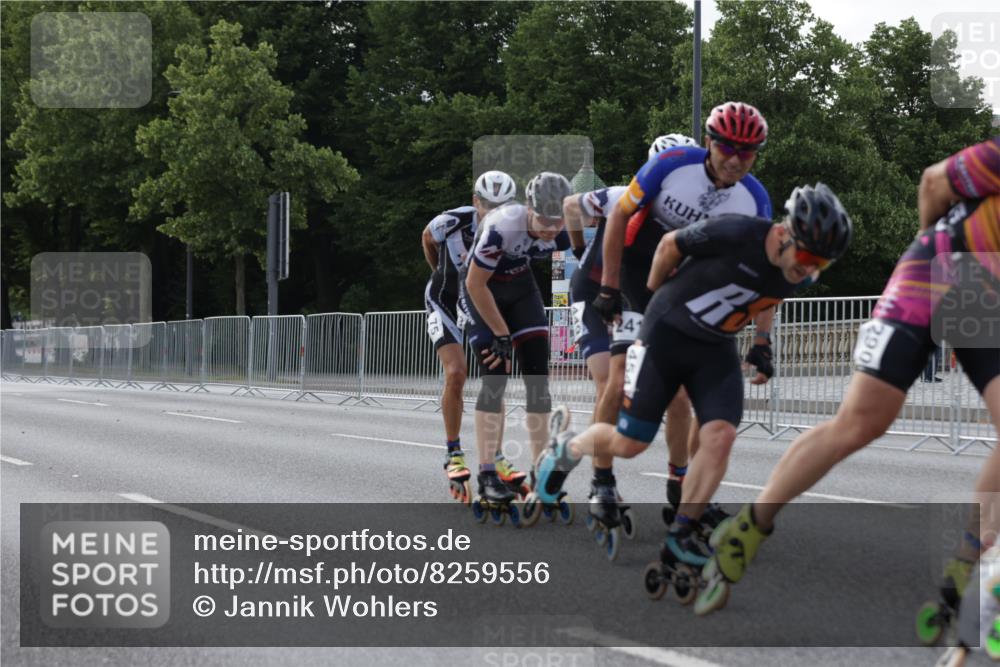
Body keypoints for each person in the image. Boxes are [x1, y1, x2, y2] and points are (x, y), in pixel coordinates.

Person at [696, 137, 1000, 619]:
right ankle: (751, 526)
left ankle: (967, 563)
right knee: (860, 424)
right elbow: (933, 181)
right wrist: (932, 257)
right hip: (934, 275)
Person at [534, 184, 850, 566]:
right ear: (783, 233)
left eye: (822, 263)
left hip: (714, 347)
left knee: (720, 434)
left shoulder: (799, 270)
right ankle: (567, 448)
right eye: (807, 255)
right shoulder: (736, 231)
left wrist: (763, 342)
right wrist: (653, 302)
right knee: (631, 443)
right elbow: (668, 245)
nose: (810, 268)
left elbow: (771, 294)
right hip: (665, 335)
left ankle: (682, 532)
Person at [582, 103, 775, 528]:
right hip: (637, 277)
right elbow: (619, 216)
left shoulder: (754, 198)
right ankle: (601, 479)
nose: (736, 160)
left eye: (748, 152)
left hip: (682, 289)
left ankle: (680, 483)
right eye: (728, 148)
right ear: (710, 142)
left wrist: (762, 340)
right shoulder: (671, 165)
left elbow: (769, 272)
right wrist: (609, 287)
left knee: (683, 394)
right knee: (619, 376)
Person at [562, 135, 700, 407]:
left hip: (628, 294)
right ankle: (598, 446)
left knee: (633, 384)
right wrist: (579, 249)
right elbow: (569, 206)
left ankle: (614, 436)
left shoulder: (687, 212)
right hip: (589, 289)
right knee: (607, 382)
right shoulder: (622, 196)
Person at [463, 172, 573, 507]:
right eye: (543, 220)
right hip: (482, 291)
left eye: (557, 222)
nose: (551, 229)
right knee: (495, 379)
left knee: (538, 381)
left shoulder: (566, 230)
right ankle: (486, 474)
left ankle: (541, 471)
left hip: (521, 287)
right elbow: (474, 285)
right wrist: (500, 333)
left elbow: (589, 270)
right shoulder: (502, 226)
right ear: (528, 208)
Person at [422, 171, 517, 502]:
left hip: (477, 302)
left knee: (495, 374)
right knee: (456, 372)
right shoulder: (451, 222)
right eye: (488, 205)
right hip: (444, 299)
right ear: (476, 201)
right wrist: (440, 273)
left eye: (502, 206)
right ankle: (453, 451)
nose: (494, 211)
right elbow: (426, 238)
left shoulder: (512, 232)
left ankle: (497, 455)